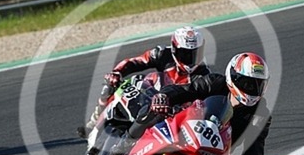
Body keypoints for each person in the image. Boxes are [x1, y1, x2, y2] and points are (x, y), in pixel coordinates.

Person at [99, 52, 271, 155]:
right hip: (185, 125)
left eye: (258, 85)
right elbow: (185, 89)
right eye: (247, 83)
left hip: (214, 153)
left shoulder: (261, 114)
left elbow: (257, 152)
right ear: (233, 77)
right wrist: (164, 96)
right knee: (153, 110)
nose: (252, 89)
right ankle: (115, 154)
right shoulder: (215, 82)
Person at [78, 25, 210, 138]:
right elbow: (136, 61)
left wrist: (180, 108)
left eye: (196, 53)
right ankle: (93, 123)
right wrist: (117, 73)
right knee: (109, 86)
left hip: (168, 112)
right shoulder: (162, 53)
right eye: (185, 54)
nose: (191, 59)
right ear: (175, 49)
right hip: (146, 94)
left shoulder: (204, 75)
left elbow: (202, 106)